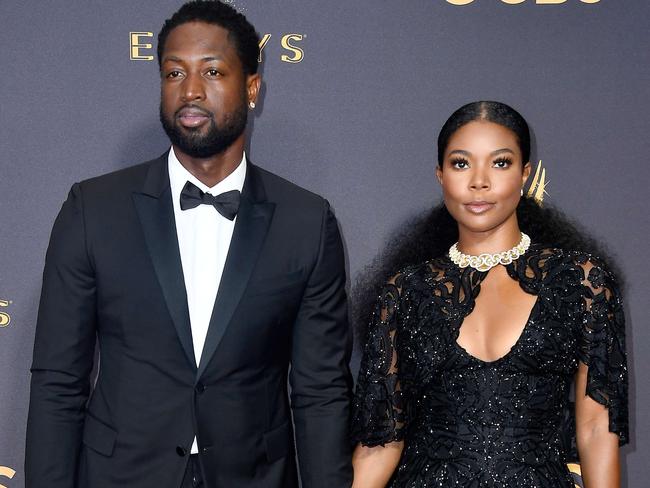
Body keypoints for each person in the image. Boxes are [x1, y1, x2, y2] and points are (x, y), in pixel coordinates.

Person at [25, 2, 353, 487]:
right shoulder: (93, 210)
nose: (191, 91)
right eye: (174, 72)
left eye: (213, 71)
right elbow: (58, 380)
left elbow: (320, 391)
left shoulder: (305, 221)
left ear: (252, 88)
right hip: (121, 475)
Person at [351, 101, 628, 487]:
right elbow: (381, 444)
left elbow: (597, 429)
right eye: (461, 164)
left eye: (500, 163)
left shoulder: (581, 281)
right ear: (440, 175)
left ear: (525, 174)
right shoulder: (405, 291)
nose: (478, 181)